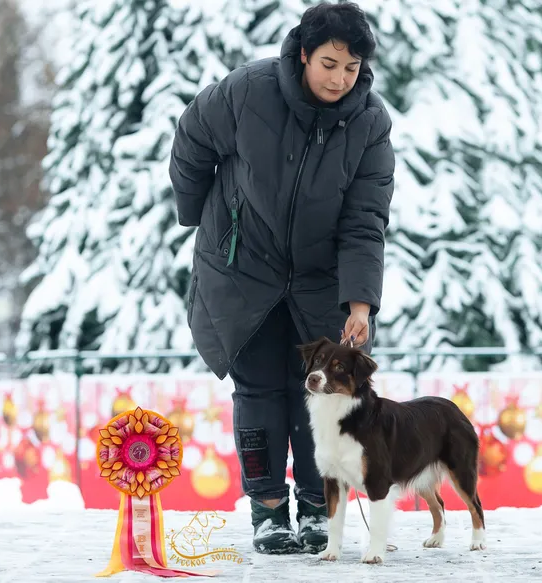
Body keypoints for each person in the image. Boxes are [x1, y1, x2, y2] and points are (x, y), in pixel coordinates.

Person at [169, 1, 394, 555]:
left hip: (319, 280)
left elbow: (365, 219)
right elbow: (191, 142)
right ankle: (267, 510)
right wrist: (201, 218)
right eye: (329, 63)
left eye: (352, 68)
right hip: (242, 269)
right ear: (302, 53)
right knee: (260, 392)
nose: (341, 78)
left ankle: (320, 508)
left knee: (319, 397)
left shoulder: (369, 122)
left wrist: (360, 302)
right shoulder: (247, 92)